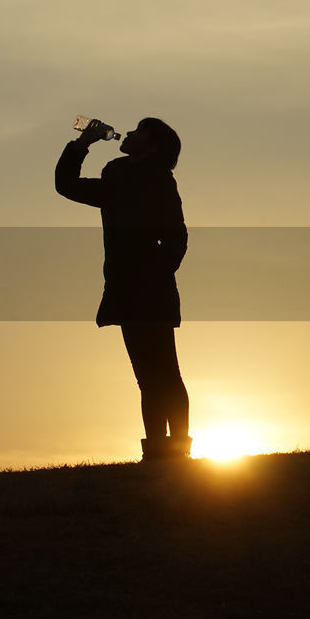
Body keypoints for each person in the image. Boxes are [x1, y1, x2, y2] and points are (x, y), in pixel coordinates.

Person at [55, 117, 191, 461]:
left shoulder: (160, 182)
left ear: (153, 145)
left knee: (165, 371)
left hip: (151, 288)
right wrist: (81, 144)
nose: (128, 133)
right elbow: (66, 185)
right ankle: (158, 451)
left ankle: (177, 449)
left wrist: (155, 273)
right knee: (147, 375)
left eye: (138, 130)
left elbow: (177, 238)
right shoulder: (116, 177)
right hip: (124, 286)